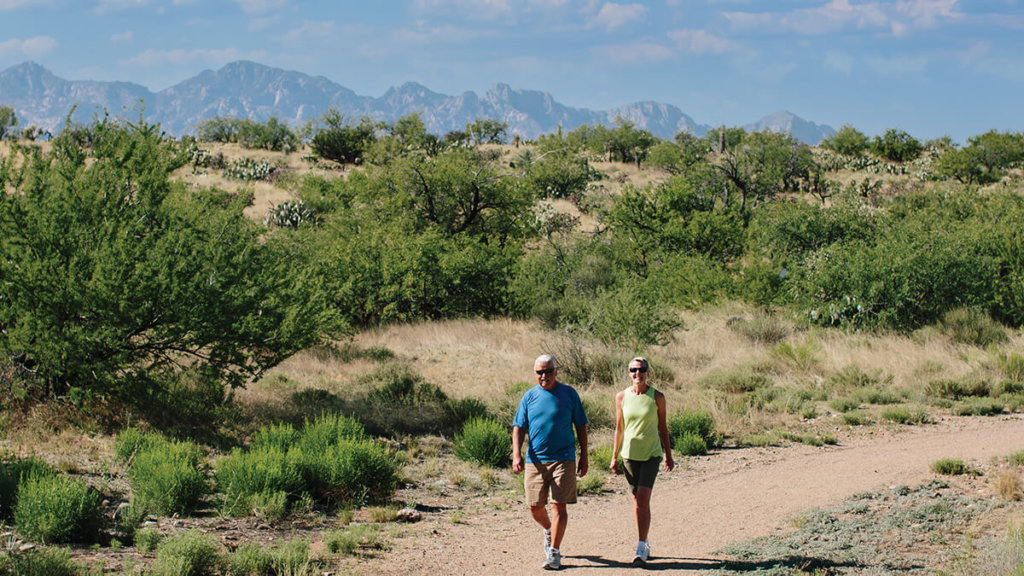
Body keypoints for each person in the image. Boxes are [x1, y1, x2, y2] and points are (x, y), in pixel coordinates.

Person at [512, 354, 589, 571]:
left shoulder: (569, 394)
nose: (544, 376)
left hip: (563, 459)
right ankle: (548, 530)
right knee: (535, 507)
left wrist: (584, 456)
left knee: (559, 506)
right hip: (535, 461)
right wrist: (516, 454)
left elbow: (581, 426)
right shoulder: (529, 397)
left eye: (548, 371)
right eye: (540, 372)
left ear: (556, 371)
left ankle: (554, 553)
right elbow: (518, 428)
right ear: (535, 373)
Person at [610, 356, 675, 565]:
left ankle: (640, 546)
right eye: (633, 370)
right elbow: (619, 428)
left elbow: (662, 428)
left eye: (641, 369)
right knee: (637, 502)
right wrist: (614, 456)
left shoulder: (657, 397)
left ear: (648, 372)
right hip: (629, 455)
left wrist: (668, 455)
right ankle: (645, 540)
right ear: (629, 372)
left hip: (651, 454)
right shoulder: (621, 397)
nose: (637, 374)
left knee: (643, 498)